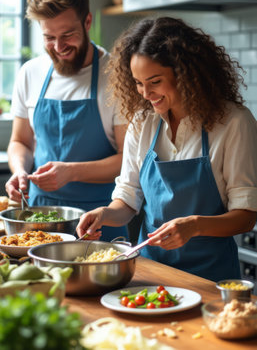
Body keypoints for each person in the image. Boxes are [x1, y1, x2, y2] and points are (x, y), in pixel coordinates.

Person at [77, 16, 257, 281]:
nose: (145, 93)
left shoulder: (233, 123)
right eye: (138, 83)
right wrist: (104, 214)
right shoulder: (142, 122)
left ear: (185, 74)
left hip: (211, 277)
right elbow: (128, 199)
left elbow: (246, 217)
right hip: (152, 274)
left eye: (155, 81)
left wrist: (195, 226)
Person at [5, 0, 128, 241]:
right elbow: (20, 141)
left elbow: (128, 160)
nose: (59, 47)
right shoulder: (30, 73)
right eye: (49, 37)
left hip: (101, 220)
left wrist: (71, 172)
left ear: (87, 22)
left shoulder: (116, 76)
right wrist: (19, 171)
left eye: (68, 35)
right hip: (40, 222)